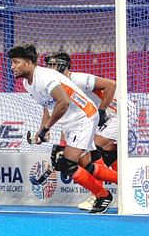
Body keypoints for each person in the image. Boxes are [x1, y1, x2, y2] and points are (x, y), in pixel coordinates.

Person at [8, 44, 116, 213]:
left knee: (67, 164)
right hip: (71, 122)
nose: (12, 66)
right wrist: (43, 129)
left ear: (28, 63)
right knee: (87, 164)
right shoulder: (27, 83)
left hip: (84, 117)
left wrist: (47, 128)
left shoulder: (44, 77)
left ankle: (103, 196)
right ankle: (125, 181)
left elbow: (63, 102)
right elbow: (47, 105)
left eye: (16, 62)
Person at [45, 52, 118, 211]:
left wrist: (103, 110)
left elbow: (111, 85)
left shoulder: (76, 79)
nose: (49, 68)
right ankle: (120, 185)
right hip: (95, 117)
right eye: (48, 65)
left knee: (95, 149)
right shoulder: (54, 84)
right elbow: (70, 116)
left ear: (63, 65)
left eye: (53, 65)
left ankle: (98, 194)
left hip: (117, 111)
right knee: (102, 156)